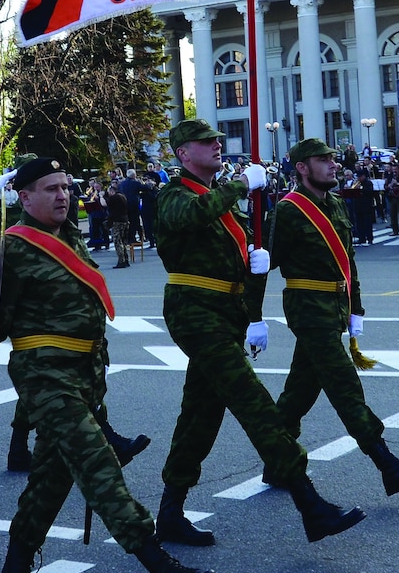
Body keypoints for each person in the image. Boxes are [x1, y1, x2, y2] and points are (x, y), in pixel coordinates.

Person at [0, 157, 216, 573]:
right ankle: (162, 570)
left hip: (83, 377)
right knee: (100, 469)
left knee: (50, 483)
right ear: (24, 196)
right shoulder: (10, 250)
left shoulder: (70, 238)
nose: (62, 196)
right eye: (50, 189)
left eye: (65, 187)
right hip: (44, 379)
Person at [153, 119, 365, 546]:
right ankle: (310, 504)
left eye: (216, 140)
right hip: (194, 314)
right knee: (255, 405)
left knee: (201, 414)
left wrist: (253, 269)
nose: (216, 145)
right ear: (182, 154)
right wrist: (237, 186)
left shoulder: (222, 204)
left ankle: (170, 513)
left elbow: (228, 254)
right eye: (205, 142)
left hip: (224, 314)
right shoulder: (174, 195)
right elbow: (191, 216)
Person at [266, 139, 399, 496]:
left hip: (335, 307)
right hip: (308, 310)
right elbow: (265, 262)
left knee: (300, 390)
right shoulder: (287, 211)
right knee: (344, 384)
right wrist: (251, 317)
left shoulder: (337, 204)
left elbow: (348, 263)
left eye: (332, 158)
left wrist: (356, 307)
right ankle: (387, 465)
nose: (332, 164)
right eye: (322, 160)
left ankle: (275, 461)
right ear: (301, 168)